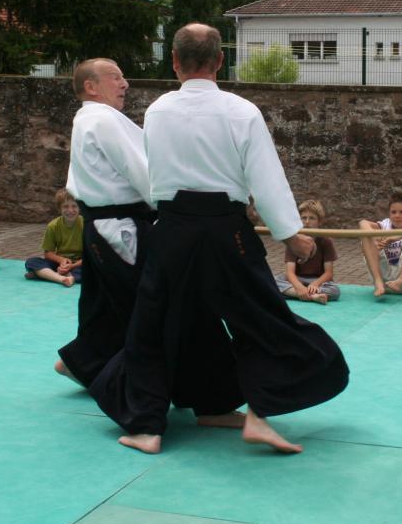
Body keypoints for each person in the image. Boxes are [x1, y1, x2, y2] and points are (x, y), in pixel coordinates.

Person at [89, 23, 348, 456]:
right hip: (228, 231)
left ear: (173, 62)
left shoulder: (156, 111)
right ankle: (257, 411)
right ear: (220, 60)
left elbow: (153, 177)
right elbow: (266, 179)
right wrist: (291, 236)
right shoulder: (241, 111)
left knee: (154, 327)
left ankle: (152, 425)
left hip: (171, 230)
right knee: (262, 319)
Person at [55, 58, 154, 388]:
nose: (125, 83)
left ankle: (78, 364)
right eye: (115, 78)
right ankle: (134, 382)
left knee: (102, 303)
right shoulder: (104, 120)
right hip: (119, 228)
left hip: (99, 226)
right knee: (140, 304)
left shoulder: (87, 118)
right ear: (91, 87)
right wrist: (172, 208)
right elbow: (141, 172)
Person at [357, 192, 402, 297]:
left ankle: (401, 280)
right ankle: (378, 281)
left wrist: (394, 238)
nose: (397, 215)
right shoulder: (385, 224)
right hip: (384, 281)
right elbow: (363, 223)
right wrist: (374, 238)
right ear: (389, 213)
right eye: (393, 212)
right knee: (366, 236)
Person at [275, 199, 340, 304]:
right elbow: (290, 272)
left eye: (312, 218)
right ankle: (313, 296)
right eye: (303, 218)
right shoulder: (294, 241)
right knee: (274, 281)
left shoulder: (326, 241)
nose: (307, 222)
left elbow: (329, 273)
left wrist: (316, 284)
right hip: (297, 279)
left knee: (335, 291)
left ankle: (297, 294)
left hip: (317, 280)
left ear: (320, 221)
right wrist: (299, 287)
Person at [24, 189, 84, 286]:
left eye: (74, 206)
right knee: (31, 262)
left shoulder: (85, 224)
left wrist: (72, 265)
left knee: (95, 269)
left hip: (79, 264)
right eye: (65, 206)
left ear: (79, 207)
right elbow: (48, 253)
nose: (70, 210)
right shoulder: (53, 226)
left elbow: (91, 255)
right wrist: (62, 261)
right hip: (60, 264)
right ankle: (62, 278)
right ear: (59, 209)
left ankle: (46, 275)